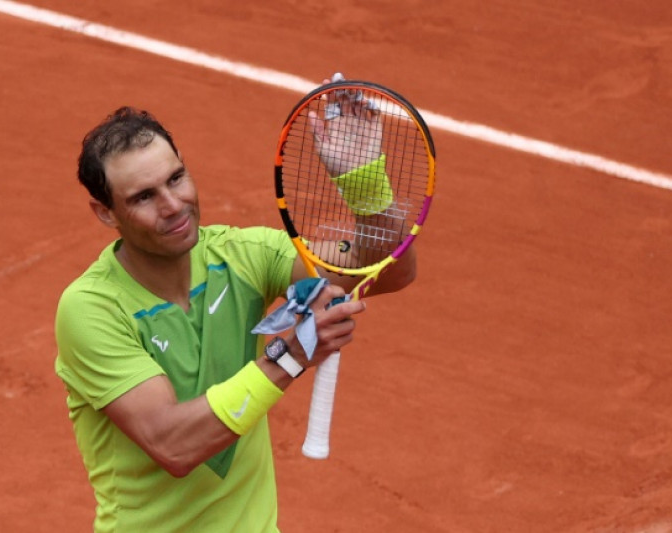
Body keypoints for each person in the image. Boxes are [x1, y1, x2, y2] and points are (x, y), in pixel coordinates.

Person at [54, 78, 417, 532]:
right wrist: (294, 355)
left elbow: (387, 270)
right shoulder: (91, 310)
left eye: (176, 179)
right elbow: (174, 445)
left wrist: (365, 183)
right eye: (144, 196)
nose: (173, 206)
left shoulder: (244, 255)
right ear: (105, 212)